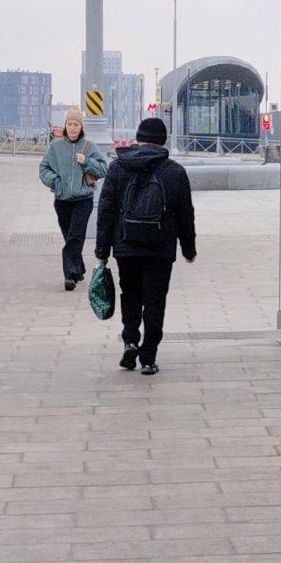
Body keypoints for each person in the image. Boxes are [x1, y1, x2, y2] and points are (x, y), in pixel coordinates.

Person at [93, 116, 195, 376]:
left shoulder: (118, 168)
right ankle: (148, 357)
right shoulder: (174, 171)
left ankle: (130, 341)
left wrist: (102, 248)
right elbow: (185, 213)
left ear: (138, 138)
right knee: (155, 301)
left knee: (130, 294)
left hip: (126, 245)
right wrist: (189, 248)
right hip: (161, 248)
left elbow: (106, 210)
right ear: (163, 141)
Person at [36, 109, 110, 291]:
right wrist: (56, 182)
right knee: (69, 237)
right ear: (65, 126)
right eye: (69, 124)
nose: (72, 128)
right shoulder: (56, 147)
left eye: (76, 124)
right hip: (62, 201)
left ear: (81, 126)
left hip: (83, 200)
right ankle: (79, 267)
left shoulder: (89, 146)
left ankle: (70, 275)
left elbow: (103, 168)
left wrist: (87, 162)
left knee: (75, 236)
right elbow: (43, 169)